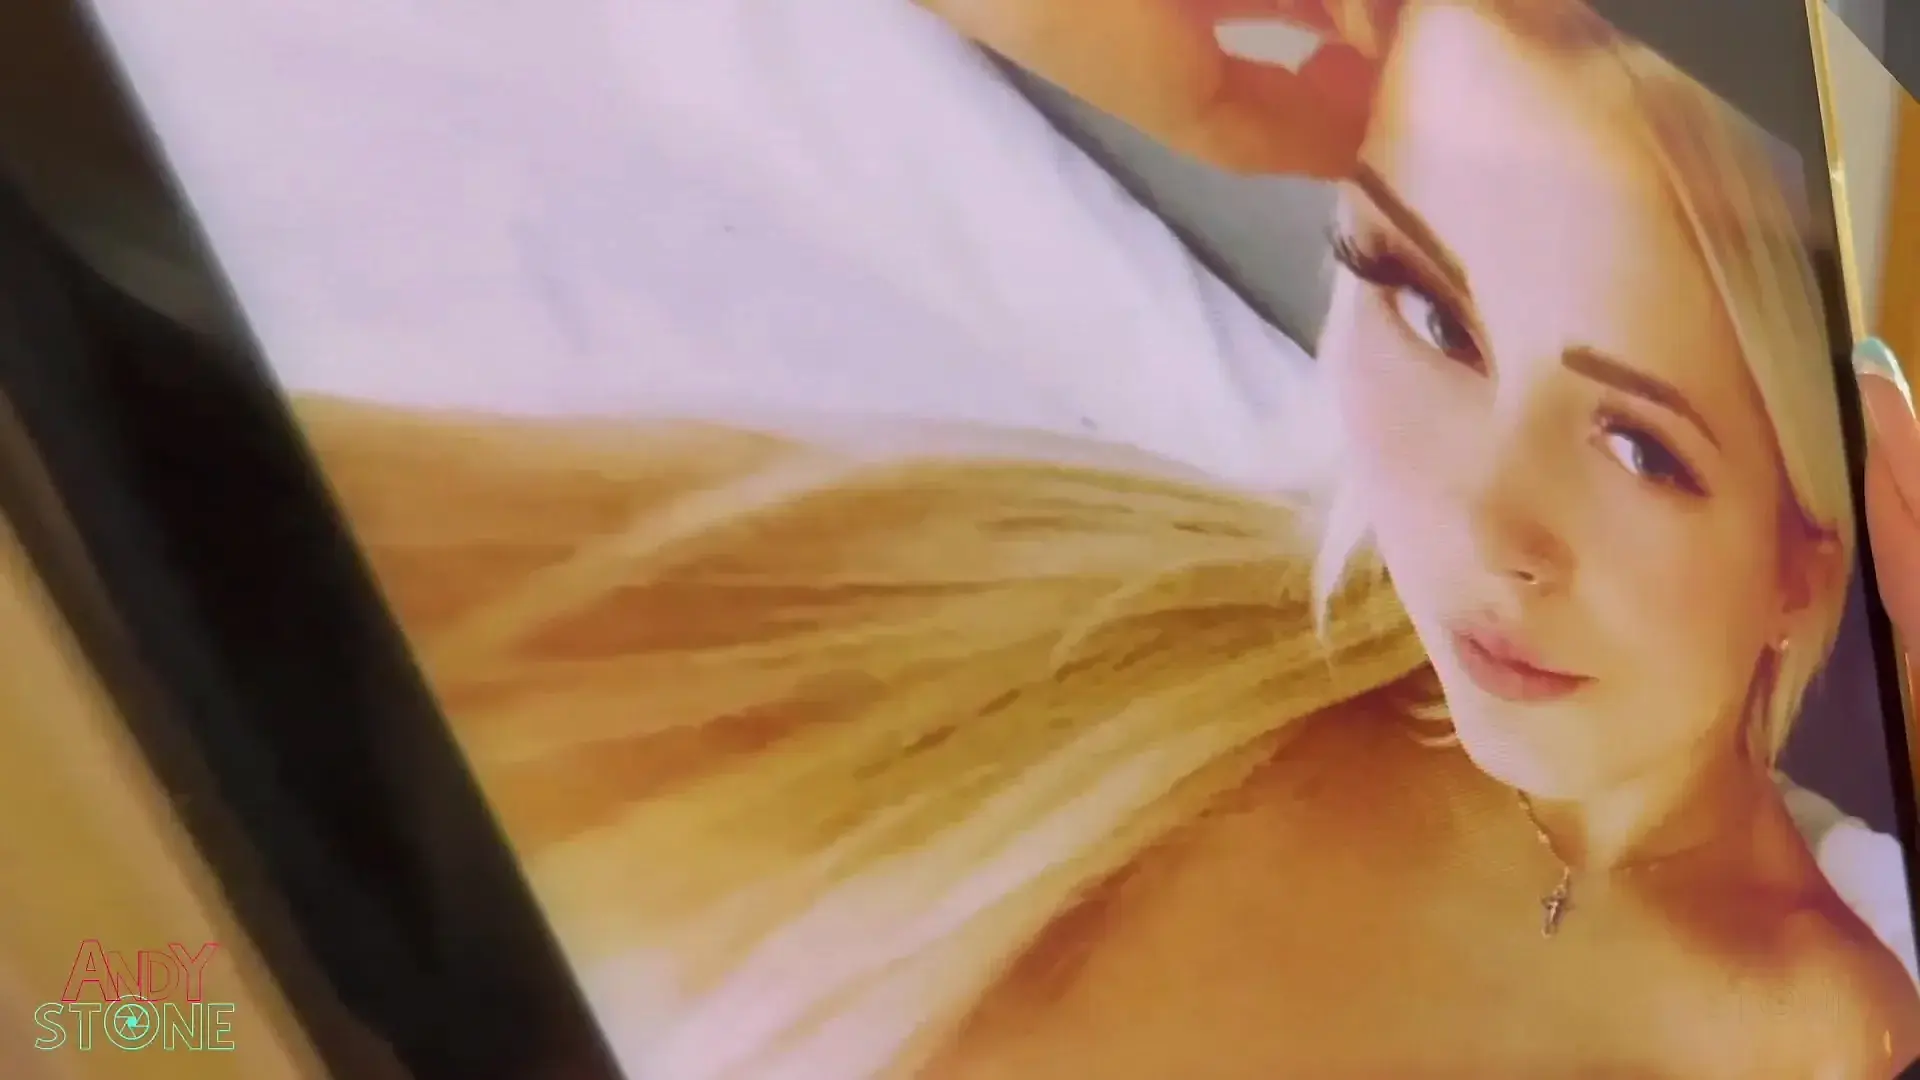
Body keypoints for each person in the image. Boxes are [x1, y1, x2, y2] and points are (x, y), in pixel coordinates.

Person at [288, 0, 1920, 1075]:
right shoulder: (1046, 610)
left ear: (1813, 553)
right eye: (1430, 312)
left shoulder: (1823, 1024)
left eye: (1640, 445)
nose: (1491, 525)